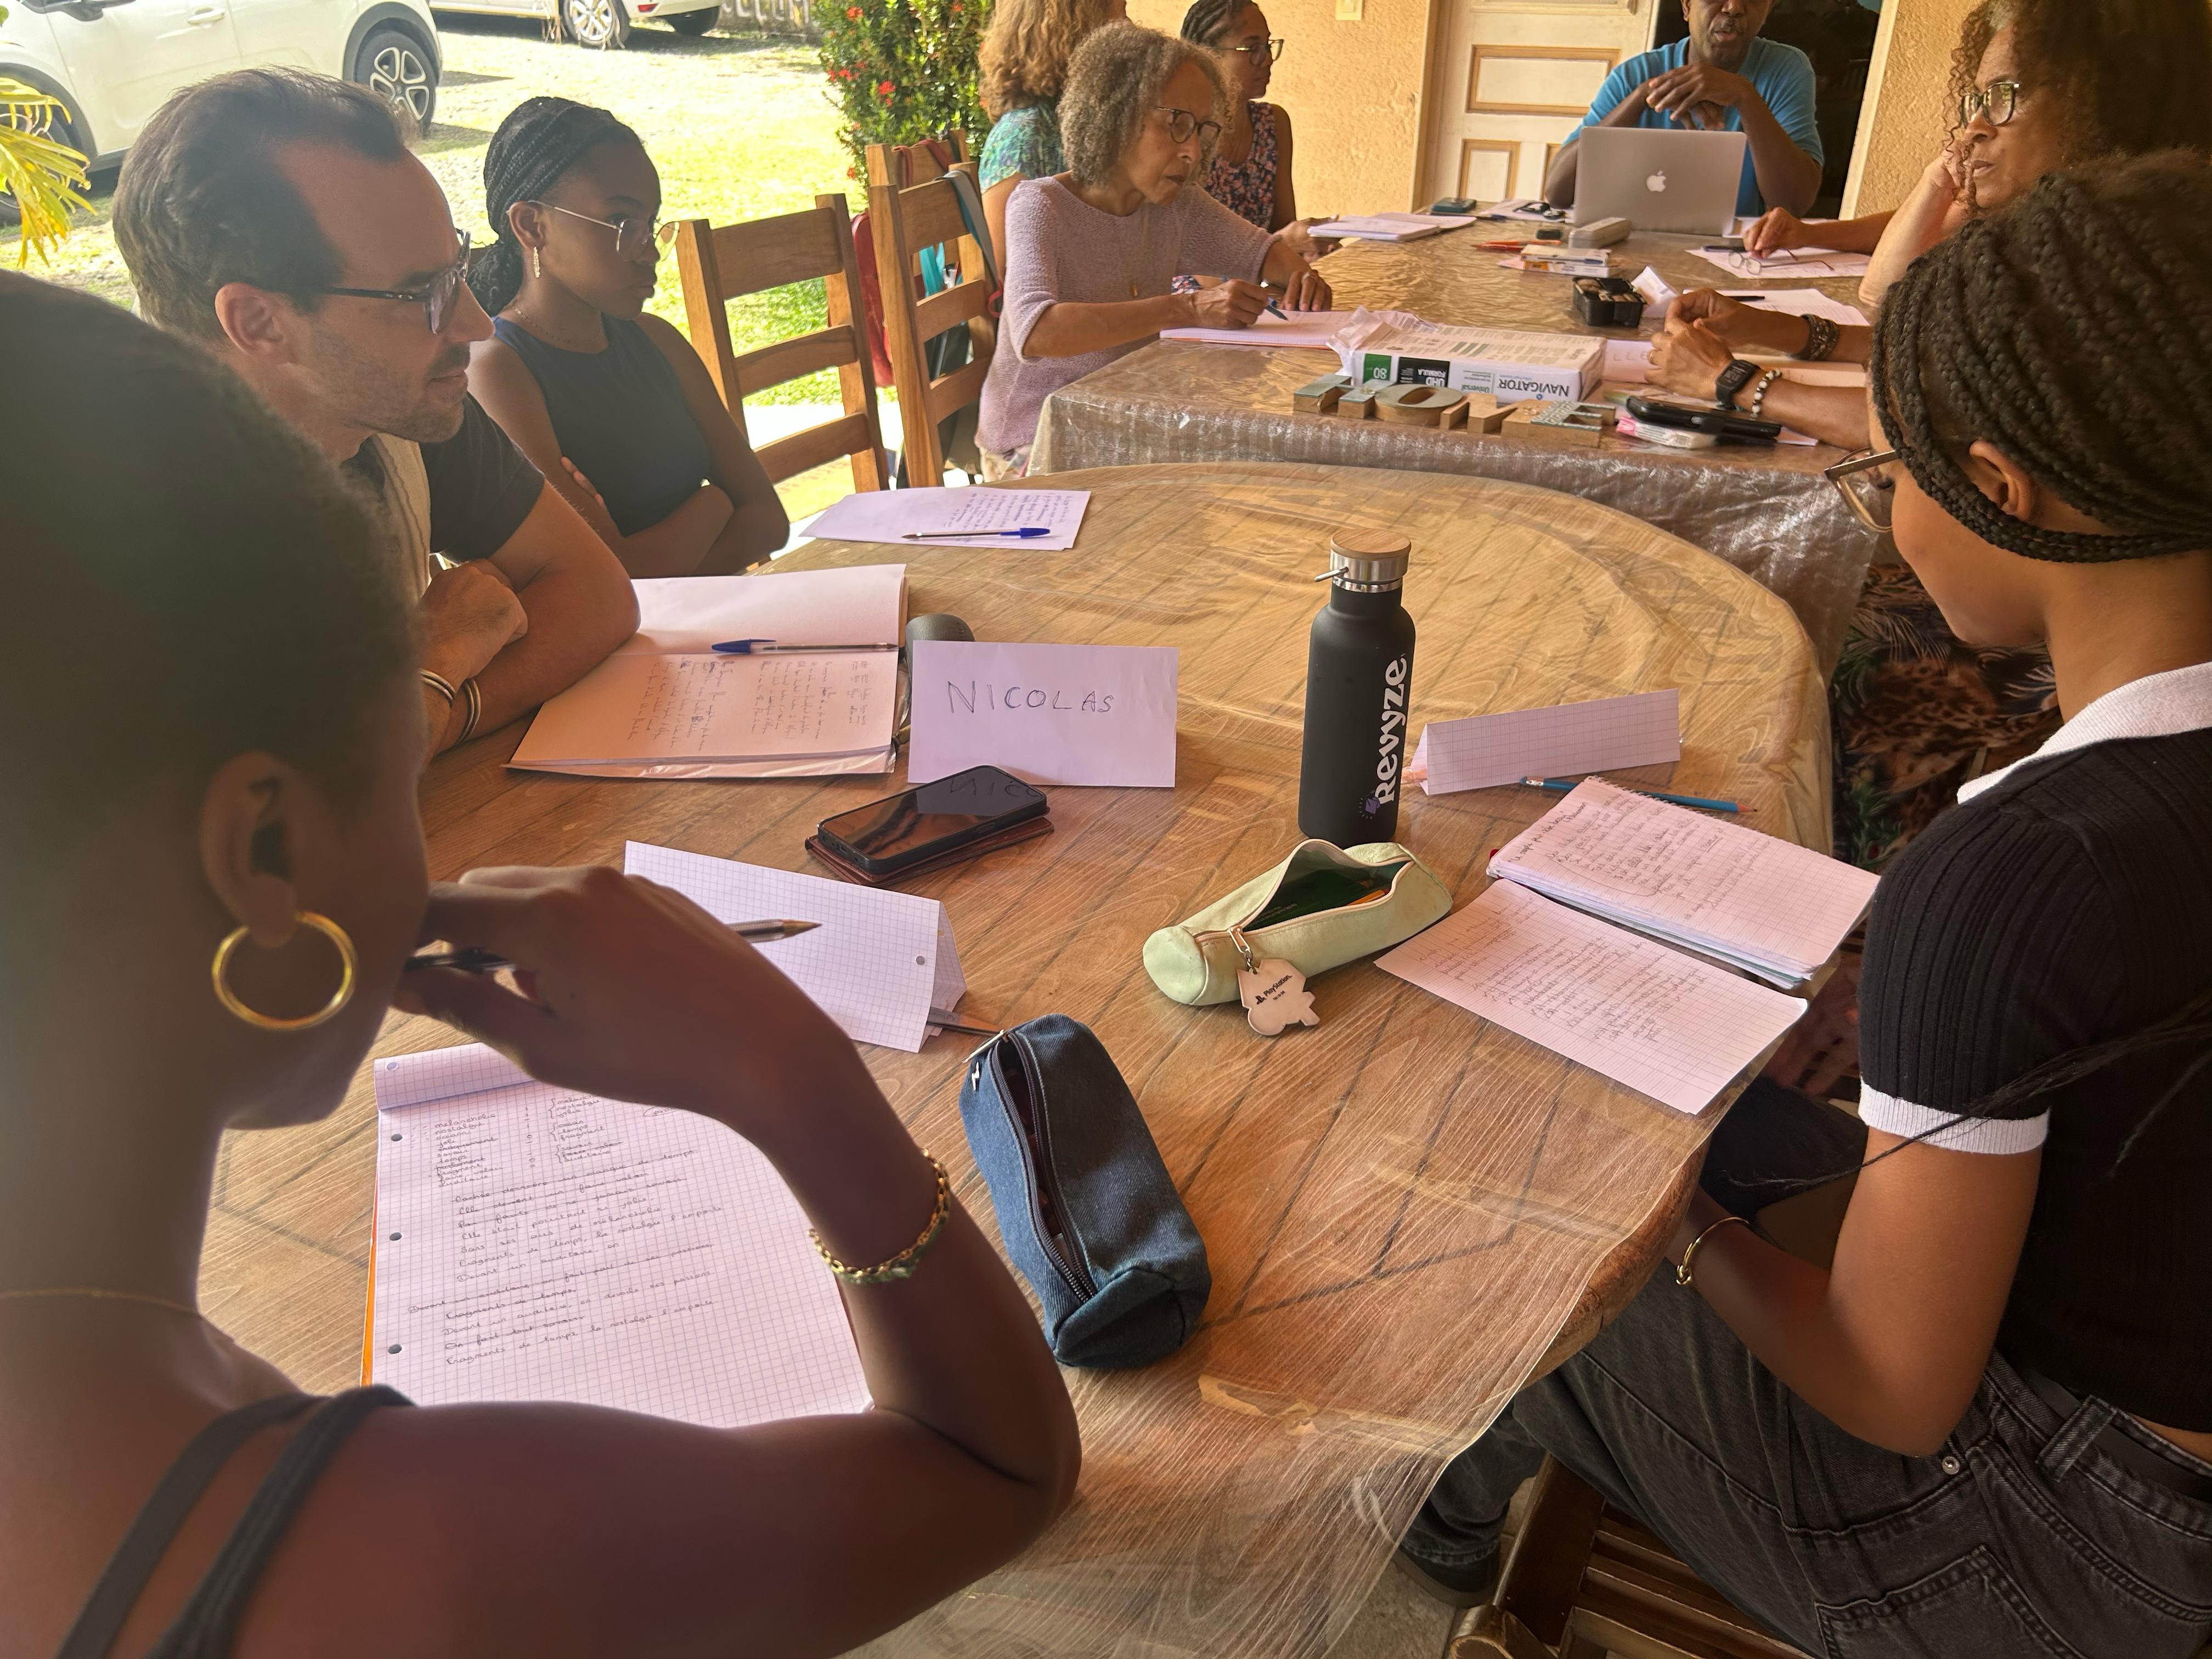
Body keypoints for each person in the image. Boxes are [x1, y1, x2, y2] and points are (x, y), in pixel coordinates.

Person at [0, 268, 1081, 1657]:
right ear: (265, 850)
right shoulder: (402, 1559)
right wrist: (791, 1073)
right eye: (405, 769)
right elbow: (996, 1469)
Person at [1393, 153, 2212, 1658]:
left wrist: (1673, 1232)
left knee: (1517, 1229)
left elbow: (1893, 1389)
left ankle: (1430, 1545)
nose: (1886, 508)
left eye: (1891, 475)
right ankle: (1457, 1510)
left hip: (2067, 1556)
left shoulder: (2016, 874)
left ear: (2000, 491)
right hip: (2148, 1400)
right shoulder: (2115, 813)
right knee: (1731, 1129)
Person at [1646, 0, 2212, 867]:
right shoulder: (2091, 246)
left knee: (1816, 646)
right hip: (2092, 606)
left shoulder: (2124, 277)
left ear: (2110, 98)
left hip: (2095, 633)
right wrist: (1785, 332)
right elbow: (1934, 361)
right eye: (1973, 100)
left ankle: (1855, 890)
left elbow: (1926, 419)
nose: (1975, 126)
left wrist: (1741, 384)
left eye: (2005, 97)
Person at [112, 70, 637, 761]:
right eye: (422, 294)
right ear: (259, 322)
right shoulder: (113, 532)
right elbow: (285, 805)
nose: (476, 324)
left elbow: (599, 594)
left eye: (458, 271)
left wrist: (438, 707)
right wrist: (437, 658)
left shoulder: (398, 403)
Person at [977, 20, 1331, 479]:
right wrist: (1188, 308)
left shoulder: (1174, 205)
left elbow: (1264, 254)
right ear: (1116, 116)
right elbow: (1036, 332)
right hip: (1033, 444)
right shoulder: (1040, 205)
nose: (1192, 152)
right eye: (1176, 124)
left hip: (1120, 422)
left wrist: (1302, 279)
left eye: (1202, 130)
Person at [464, 98, 788, 577]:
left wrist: (659, 563)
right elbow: (612, 576)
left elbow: (770, 522)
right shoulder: (498, 371)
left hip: (715, 615)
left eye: (651, 224)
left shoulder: (657, 342)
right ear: (532, 226)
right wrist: (715, 502)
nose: (648, 251)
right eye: (621, 222)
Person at [1542, 0, 1822, 221]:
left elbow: (1794, 203)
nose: (1734, 7)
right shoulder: (1636, 75)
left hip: (1734, 254)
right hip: (1632, 244)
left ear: (1767, 11)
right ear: (1687, 6)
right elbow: (1557, 193)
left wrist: (1744, 96)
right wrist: (1643, 96)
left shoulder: (1786, 70)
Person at [978, 0, 1127, 277]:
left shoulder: (1093, 120)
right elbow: (1008, 281)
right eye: (1118, 15)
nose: (1128, 27)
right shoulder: (1021, 139)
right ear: (1078, 32)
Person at [1175, 0, 1325, 257]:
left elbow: (1282, 228)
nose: (1267, 60)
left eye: (1267, 46)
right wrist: (1278, 248)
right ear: (1208, 56)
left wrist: (1307, 246)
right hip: (1198, 280)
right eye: (1253, 48)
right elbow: (1185, 255)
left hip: (1262, 274)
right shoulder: (1183, 131)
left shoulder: (1273, 123)